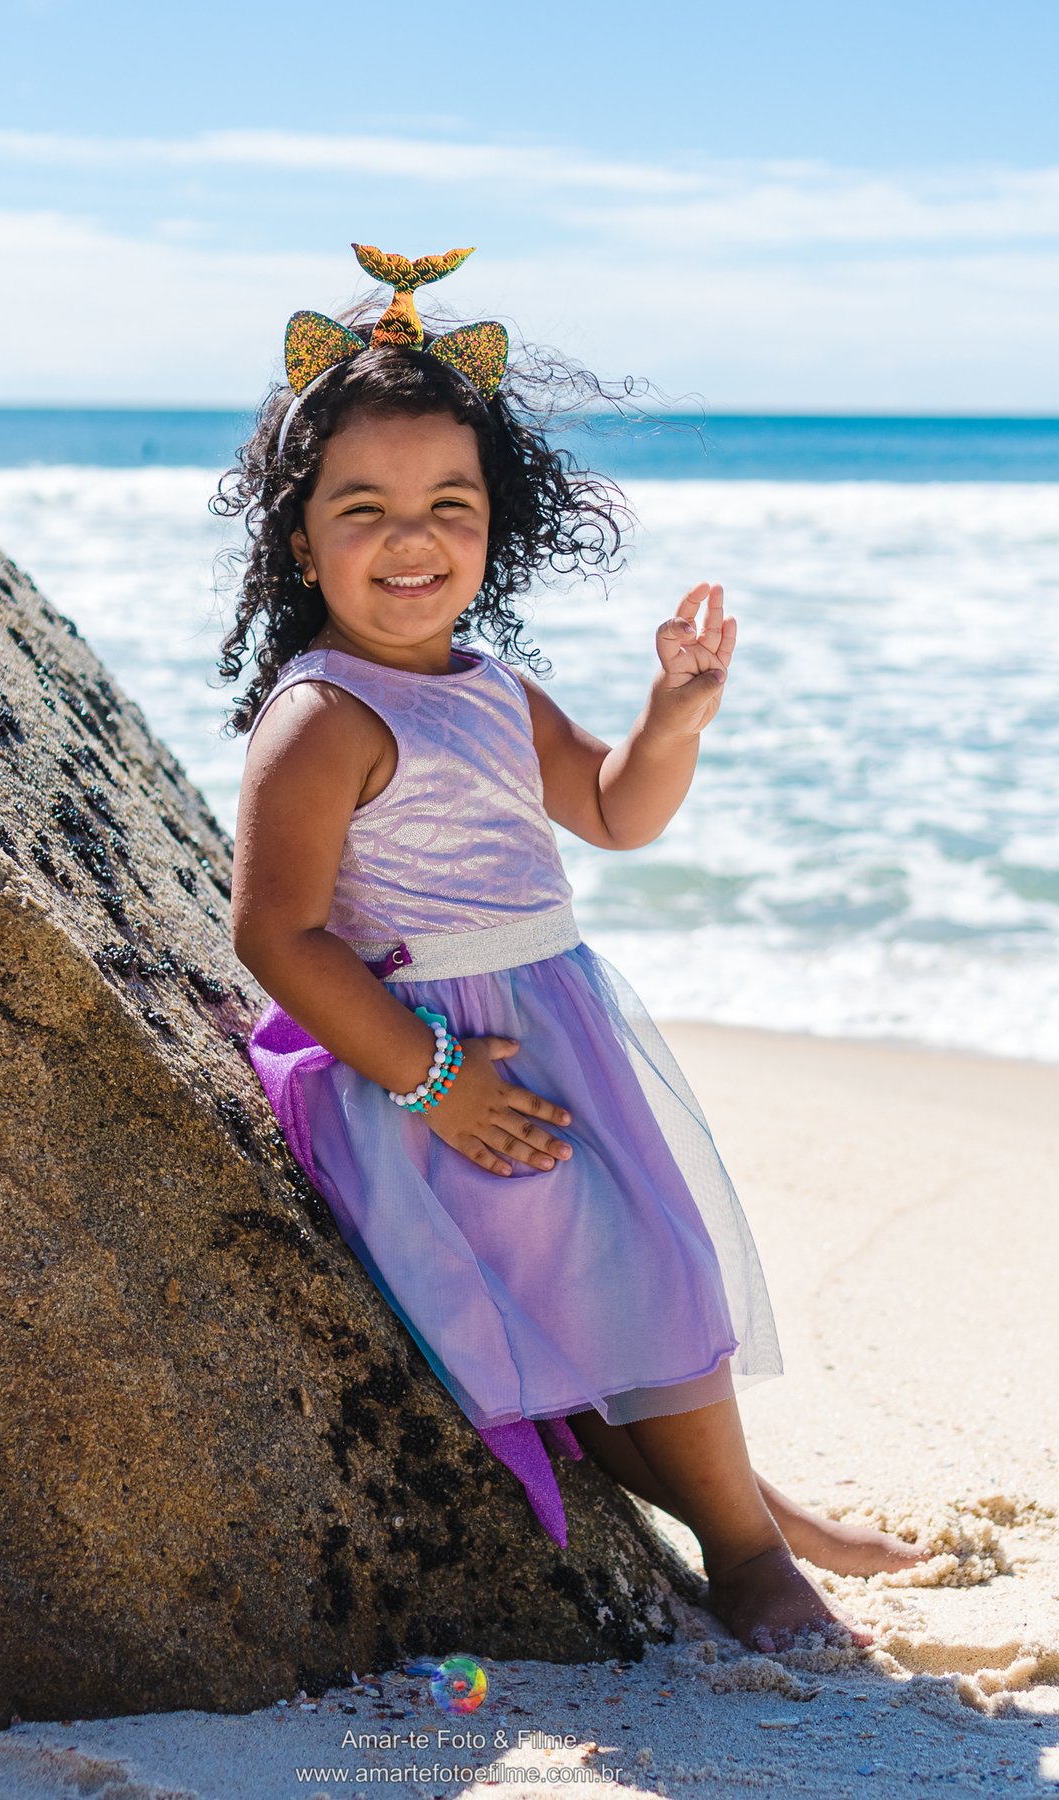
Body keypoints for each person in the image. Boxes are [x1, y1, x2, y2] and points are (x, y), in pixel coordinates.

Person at [220, 244, 920, 1653]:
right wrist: (429, 1081)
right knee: (605, 1289)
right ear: (303, 541)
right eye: (364, 509)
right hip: (439, 1069)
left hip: (562, 1033)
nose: (411, 539)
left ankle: (757, 1509)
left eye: (447, 506)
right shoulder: (323, 717)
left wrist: (675, 720)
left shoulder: (491, 688)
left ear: (496, 524)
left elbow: (613, 811)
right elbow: (274, 933)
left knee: (651, 1284)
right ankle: (746, 1553)